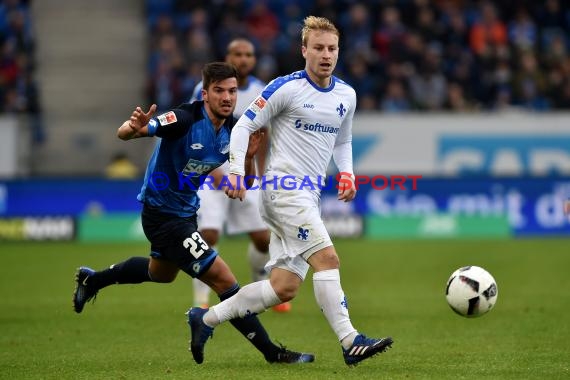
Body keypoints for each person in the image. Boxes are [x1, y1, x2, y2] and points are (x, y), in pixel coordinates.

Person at [72, 62, 314, 365]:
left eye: (232, 91)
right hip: (161, 214)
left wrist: (249, 158)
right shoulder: (185, 118)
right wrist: (133, 130)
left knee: (160, 273)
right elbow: (132, 131)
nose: (227, 97)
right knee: (226, 282)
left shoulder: (235, 128)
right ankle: (272, 352)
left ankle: (93, 281)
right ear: (206, 92)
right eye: (219, 91)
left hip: (186, 213)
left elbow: (245, 182)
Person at [188, 17, 393, 366]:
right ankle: (350, 340)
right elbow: (244, 127)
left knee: (283, 287)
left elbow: (343, 139)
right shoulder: (286, 88)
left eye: (331, 48)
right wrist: (236, 171)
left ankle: (204, 318)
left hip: (308, 194)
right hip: (284, 191)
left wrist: (347, 172)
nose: (325, 55)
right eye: (318, 48)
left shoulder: (347, 95)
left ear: (338, 51)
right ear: (304, 51)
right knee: (327, 259)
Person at [189, 39, 291, 313]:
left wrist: (259, 174)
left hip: (246, 171)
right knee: (207, 234)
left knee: (262, 238)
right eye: (238, 54)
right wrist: (216, 173)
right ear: (228, 56)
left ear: (254, 59)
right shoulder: (204, 89)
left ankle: (261, 282)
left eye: (249, 54)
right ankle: (201, 297)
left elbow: (263, 134)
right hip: (213, 174)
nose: (244, 59)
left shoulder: (262, 91)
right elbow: (196, 131)